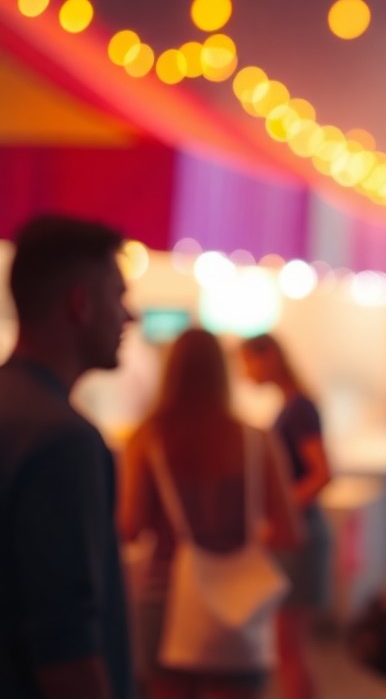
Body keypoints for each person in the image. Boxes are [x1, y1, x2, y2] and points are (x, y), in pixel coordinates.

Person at [119, 328, 302, 698]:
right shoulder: (255, 440)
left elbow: (130, 526)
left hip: (165, 597)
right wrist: (245, 536)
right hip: (238, 604)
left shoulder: (146, 439)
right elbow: (289, 533)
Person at [0, 216, 136, 699]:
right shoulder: (64, 440)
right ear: (81, 303)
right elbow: (67, 647)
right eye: (119, 296)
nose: (130, 316)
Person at [240, 333, 333, 699]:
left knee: (288, 645)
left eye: (249, 361)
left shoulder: (298, 409)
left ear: (270, 359)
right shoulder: (293, 406)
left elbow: (322, 472)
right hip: (300, 532)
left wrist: (283, 507)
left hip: (301, 534)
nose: (246, 372)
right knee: (290, 646)